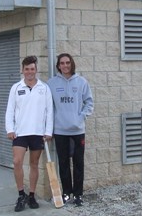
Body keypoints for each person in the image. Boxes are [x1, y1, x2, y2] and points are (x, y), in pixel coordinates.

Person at [5, 55, 53, 212]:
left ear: (36, 70)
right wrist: (10, 129)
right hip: (20, 133)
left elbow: (49, 112)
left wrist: (48, 131)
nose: (30, 72)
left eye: (32, 69)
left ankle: (31, 196)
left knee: (34, 164)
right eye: (27, 69)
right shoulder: (16, 88)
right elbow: (10, 110)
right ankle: (21, 195)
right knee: (17, 162)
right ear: (22, 70)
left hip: (38, 133)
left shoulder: (44, 88)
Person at [47, 53, 94, 207]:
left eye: (67, 62)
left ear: (71, 64)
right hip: (60, 131)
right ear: (58, 65)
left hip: (77, 131)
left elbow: (89, 103)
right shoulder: (51, 83)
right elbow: (48, 107)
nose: (65, 65)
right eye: (62, 63)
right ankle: (66, 193)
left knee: (78, 163)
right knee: (63, 163)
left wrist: (80, 117)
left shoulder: (81, 82)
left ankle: (78, 194)